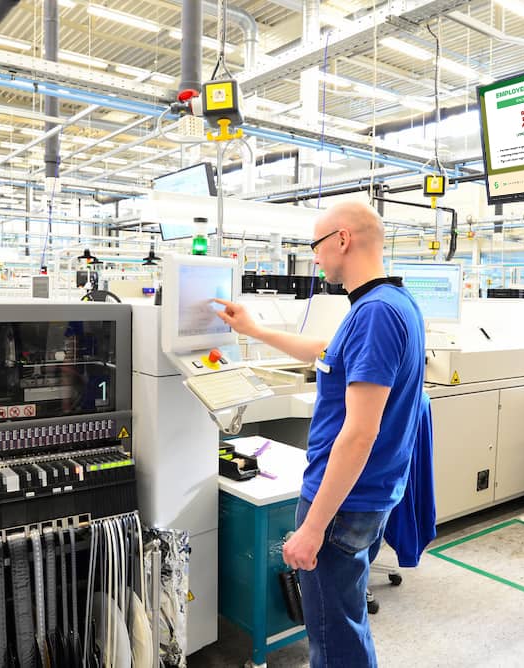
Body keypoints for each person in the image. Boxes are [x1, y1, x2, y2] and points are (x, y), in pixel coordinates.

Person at [214, 201, 426, 667]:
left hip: (342, 505)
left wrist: (311, 529)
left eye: (315, 246)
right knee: (346, 622)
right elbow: (324, 351)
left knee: (332, 640)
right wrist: (254, 330)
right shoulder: (389, 303)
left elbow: (359, 435)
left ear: (342, 240)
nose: (314, 257)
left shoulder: (375, 314)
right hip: (365, 498)